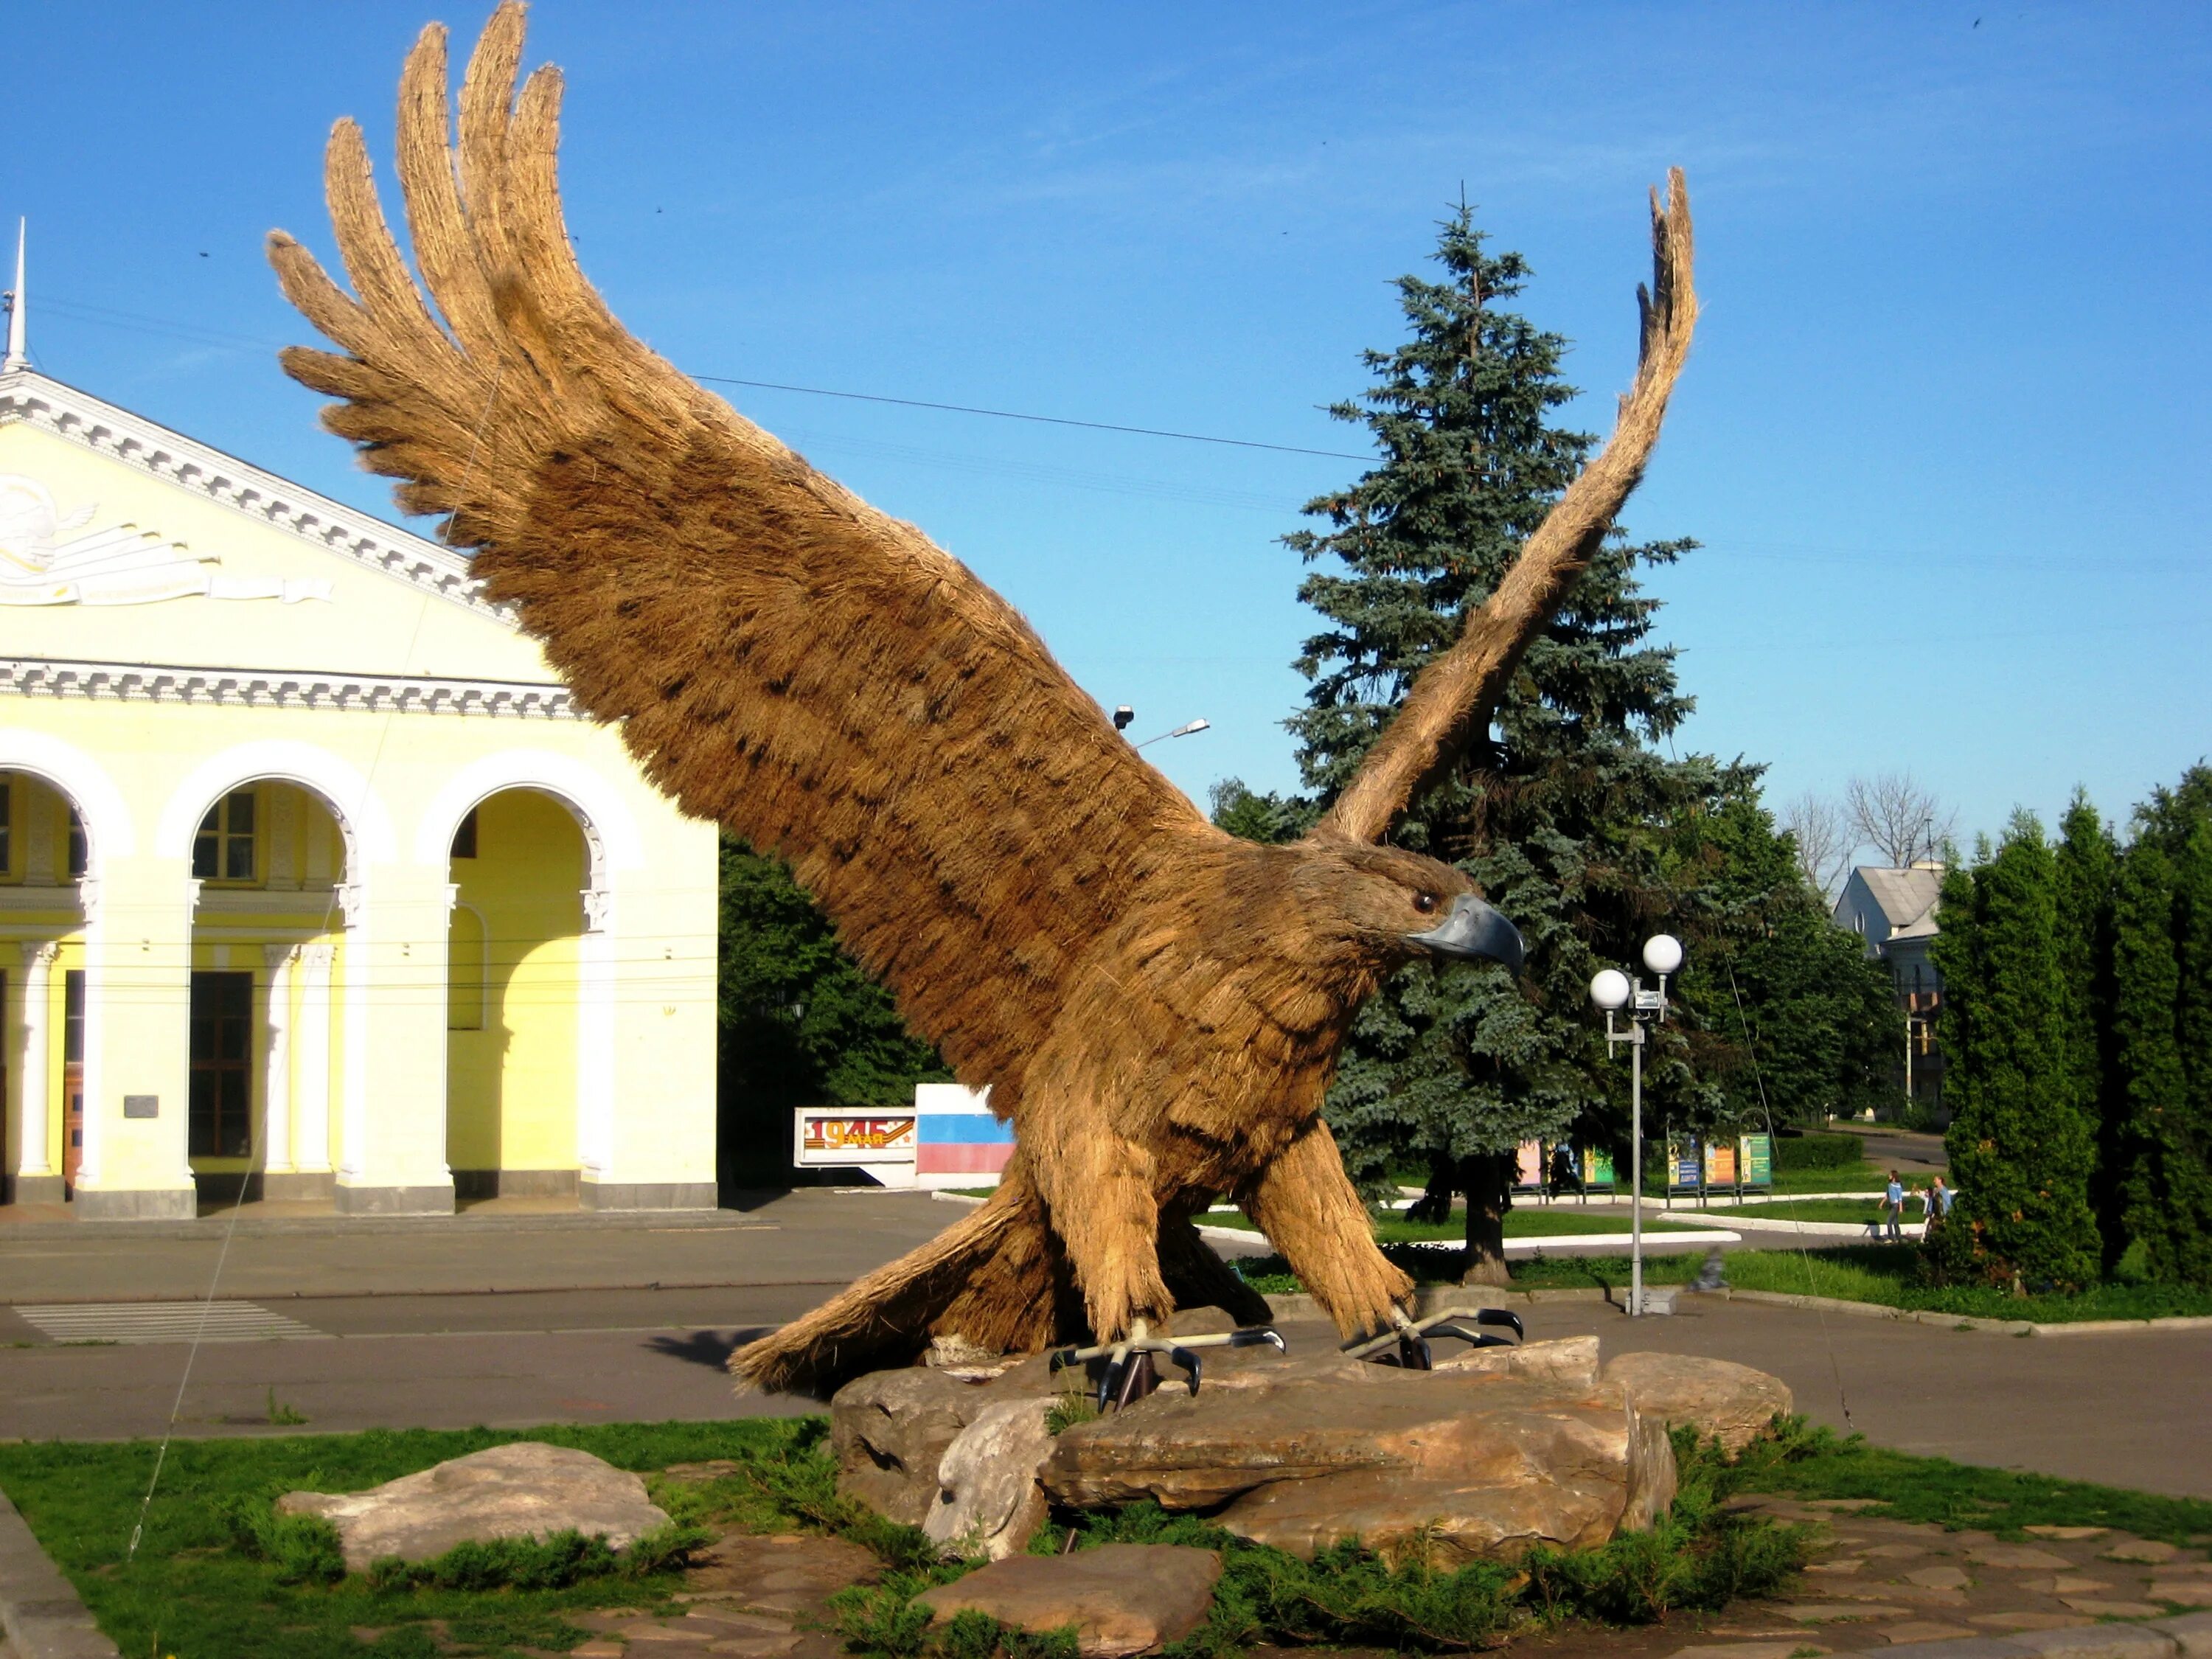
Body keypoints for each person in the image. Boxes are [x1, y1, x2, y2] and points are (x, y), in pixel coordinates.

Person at [1884, 1170, 1905, 1242]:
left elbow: (1900, 1197)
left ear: (1893, 1176)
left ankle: (1890, 1238)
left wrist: (1901, 1208)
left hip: (1896, 1205)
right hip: (1891, 1205)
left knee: (1888, 1221)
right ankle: (1898, 1237)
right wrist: (1881, 1203)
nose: (1888, 1176)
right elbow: (1887, 1195)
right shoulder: (1889, 1185)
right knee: (1895, 1222)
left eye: (1890, 1175)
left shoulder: (1897, 1185)